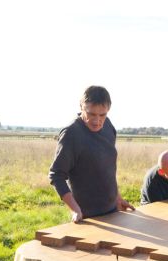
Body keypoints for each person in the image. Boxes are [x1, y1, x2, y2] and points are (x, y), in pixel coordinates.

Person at [48, 85, 134, 223]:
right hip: (87, 217)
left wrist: (117, 198)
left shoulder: (108, 126)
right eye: (91, 114)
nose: (97, 121)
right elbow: (56, 175)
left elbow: (107, 167)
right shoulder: (71, 134)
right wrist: (75, 209)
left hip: (113, 210)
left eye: (102, 115)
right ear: (81, 106)